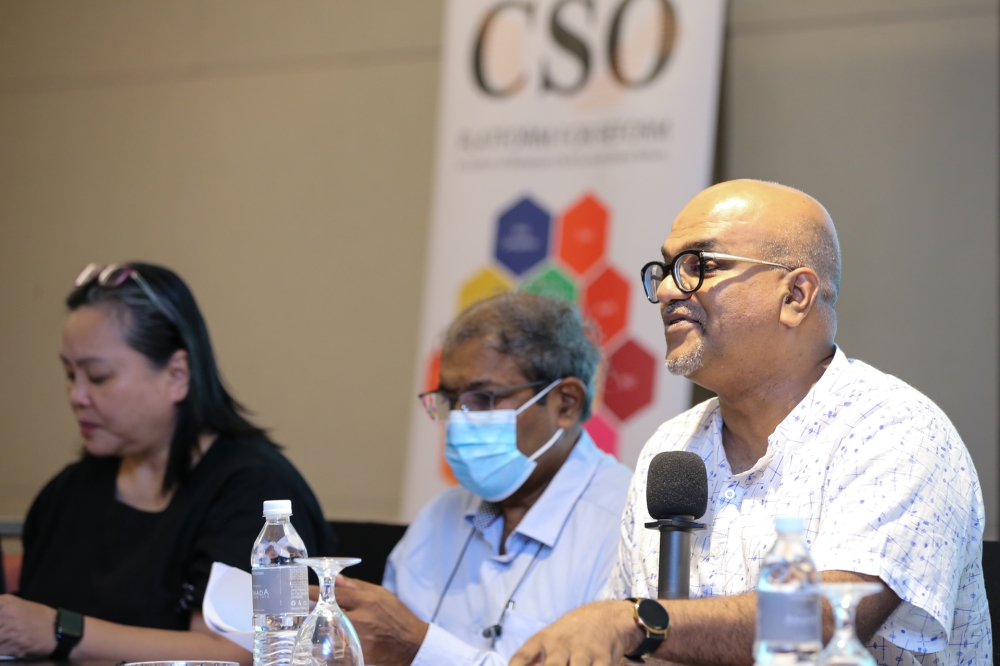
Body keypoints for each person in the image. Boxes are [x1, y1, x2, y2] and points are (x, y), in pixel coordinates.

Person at [511, 180, 991, 666]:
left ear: (796, 295)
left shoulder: (895, 429)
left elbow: (829, 621)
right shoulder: (672, 447)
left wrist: (636, 623)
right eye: (665, 269)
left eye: (700, 266)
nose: (665, 290)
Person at [0, 262, 336, 664]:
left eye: (98, 376)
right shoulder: (65, 494)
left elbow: (239, 654)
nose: (76, 395)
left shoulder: (255, 490)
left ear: (176, 374)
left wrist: (61, 630)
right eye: (70, 375)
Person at [333, 292, 632, 666]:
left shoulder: (628, 527)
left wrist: (417, 646)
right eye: (449, 399)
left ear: (566, 403)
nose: (459, 418)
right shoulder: (439, 517)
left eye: (483, 398)